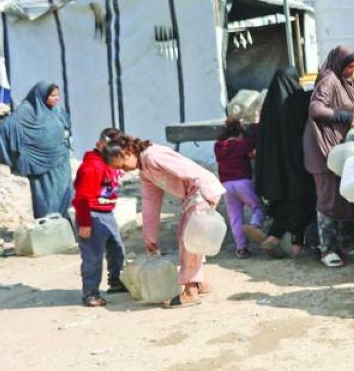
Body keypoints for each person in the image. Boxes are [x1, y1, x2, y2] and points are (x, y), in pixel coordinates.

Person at [102, 134, 225, 309]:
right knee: (186, 236)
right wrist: (149, 238)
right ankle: (199, 283)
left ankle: (191, 291)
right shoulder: (145, 171)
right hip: (193, 195)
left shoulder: (153, 155)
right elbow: (150, 204)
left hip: (202, 190)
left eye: (122, 165)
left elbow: (190, 170)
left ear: (128, 151)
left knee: (188, 241)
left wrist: (209, 195)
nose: (123, 170)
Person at [303, 45, 354, 268]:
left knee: (342, 196)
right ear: (339, 64)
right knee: (327, 198)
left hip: (337, 148)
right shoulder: (329, 79)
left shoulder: (345, 78)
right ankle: (326, 249)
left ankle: (340, 244)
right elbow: (316, 109)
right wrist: (346, 117)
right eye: (350, 67)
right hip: (322, 148)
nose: (353, 71)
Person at [255, 66, 316, 259]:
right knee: (303, 201)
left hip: (276, 169)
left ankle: (273, 238)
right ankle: (297, 247)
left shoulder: (269, 105)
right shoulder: (297, 100)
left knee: (282, 204)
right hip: (298, 165)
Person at [0, 82, 73, 219]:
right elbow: (6, 127)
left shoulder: (56, 110)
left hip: (61, 161)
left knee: (65, 193)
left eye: (58, 95)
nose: (57, 98)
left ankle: (66, 227)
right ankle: (48, 230)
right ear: (41, 95)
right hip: (39, 165)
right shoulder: (27, 109)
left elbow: (66, 124)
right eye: (53, 95)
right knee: (47, 199)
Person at [73, 127, 125, 307]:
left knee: (116, 248)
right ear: (99, 145)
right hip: (91, 214)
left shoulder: (112, 163)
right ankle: (90, 294)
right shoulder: (91, 167)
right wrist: (85, 224)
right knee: (93, 256)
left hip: (107, 213)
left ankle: (115, 281)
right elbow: (81, 198)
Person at [214, 118, 264, 259]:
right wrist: (257, 122)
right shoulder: (239, 144)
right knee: (257, 207)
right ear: (239, 134)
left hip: (226, 186)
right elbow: (254, 138)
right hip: (243, 183)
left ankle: (241, 248)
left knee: (235, 217)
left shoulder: (217, 146)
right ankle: (254, 226)